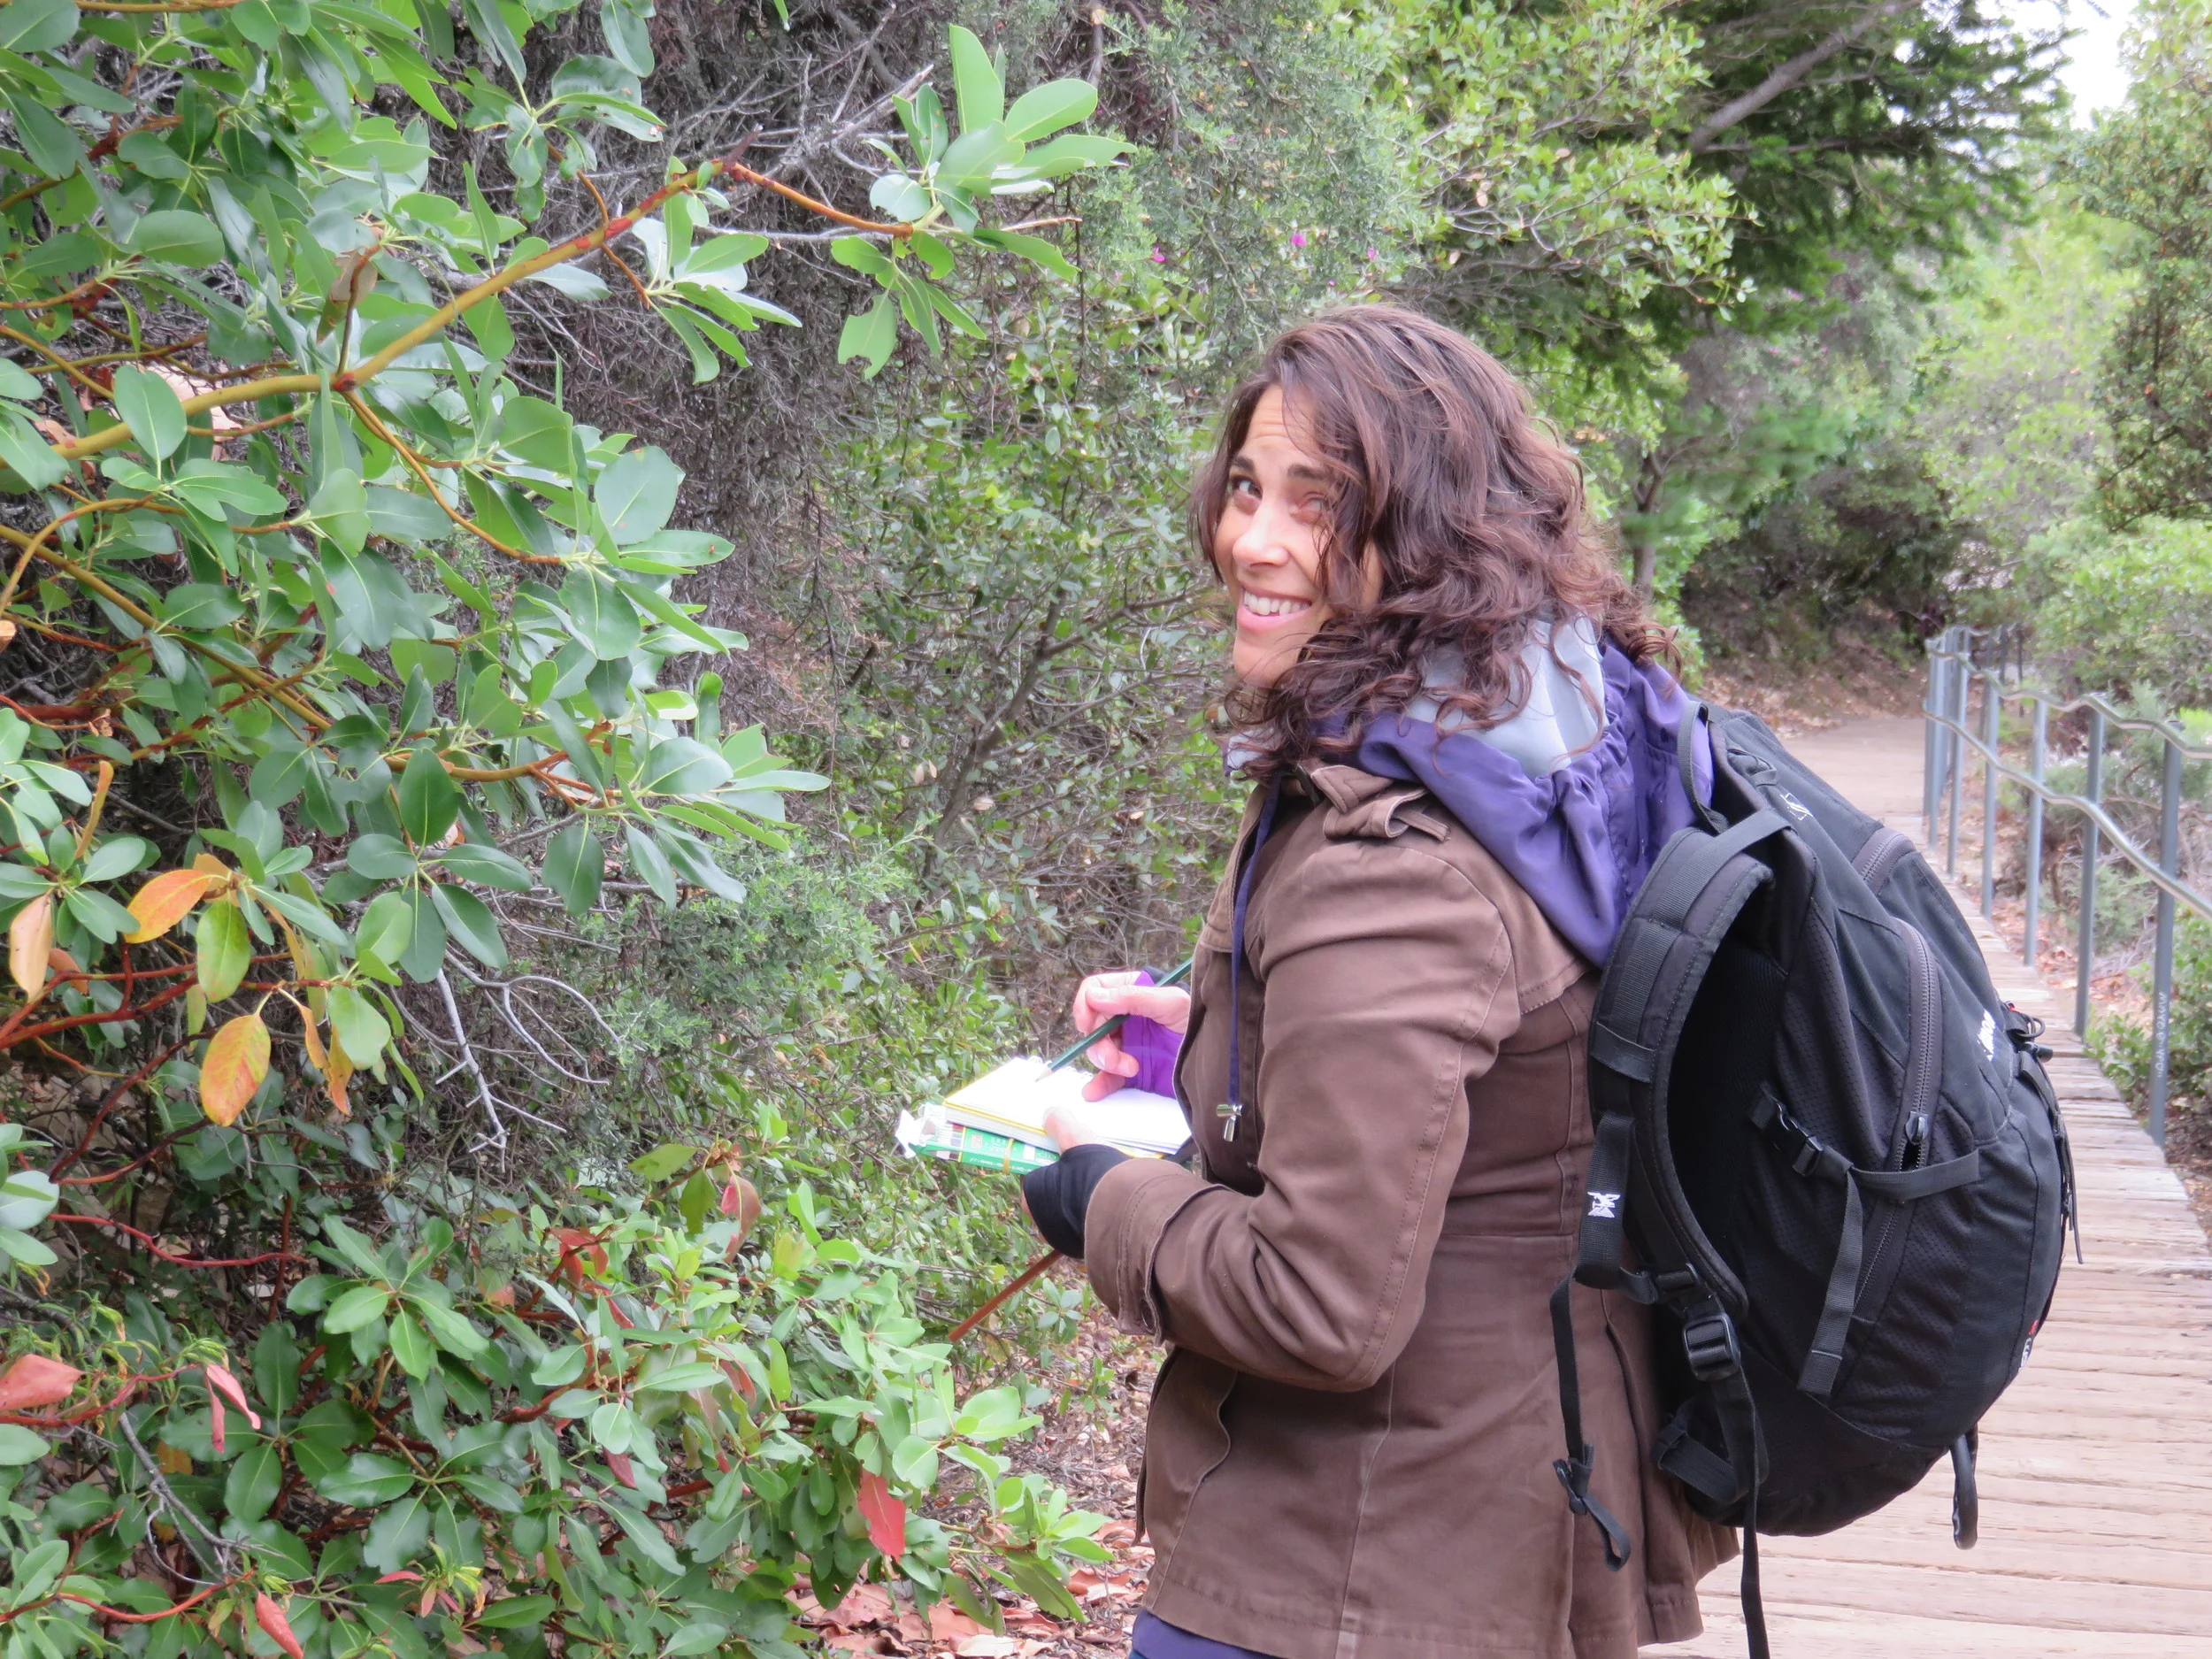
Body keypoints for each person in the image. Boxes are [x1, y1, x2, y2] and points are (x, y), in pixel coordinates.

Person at [1017, 306, 1736, 1659]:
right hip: (1521, 1509)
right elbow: (1521, 1059)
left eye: (1320, 504)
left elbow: (1320, 1301)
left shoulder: (1390, 863)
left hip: (1360, 1567)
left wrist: (1095, 1188)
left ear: (1432, 533)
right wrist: (1230, 1038)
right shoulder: (1552, 736)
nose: (1254, 540)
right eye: (1247, 487)